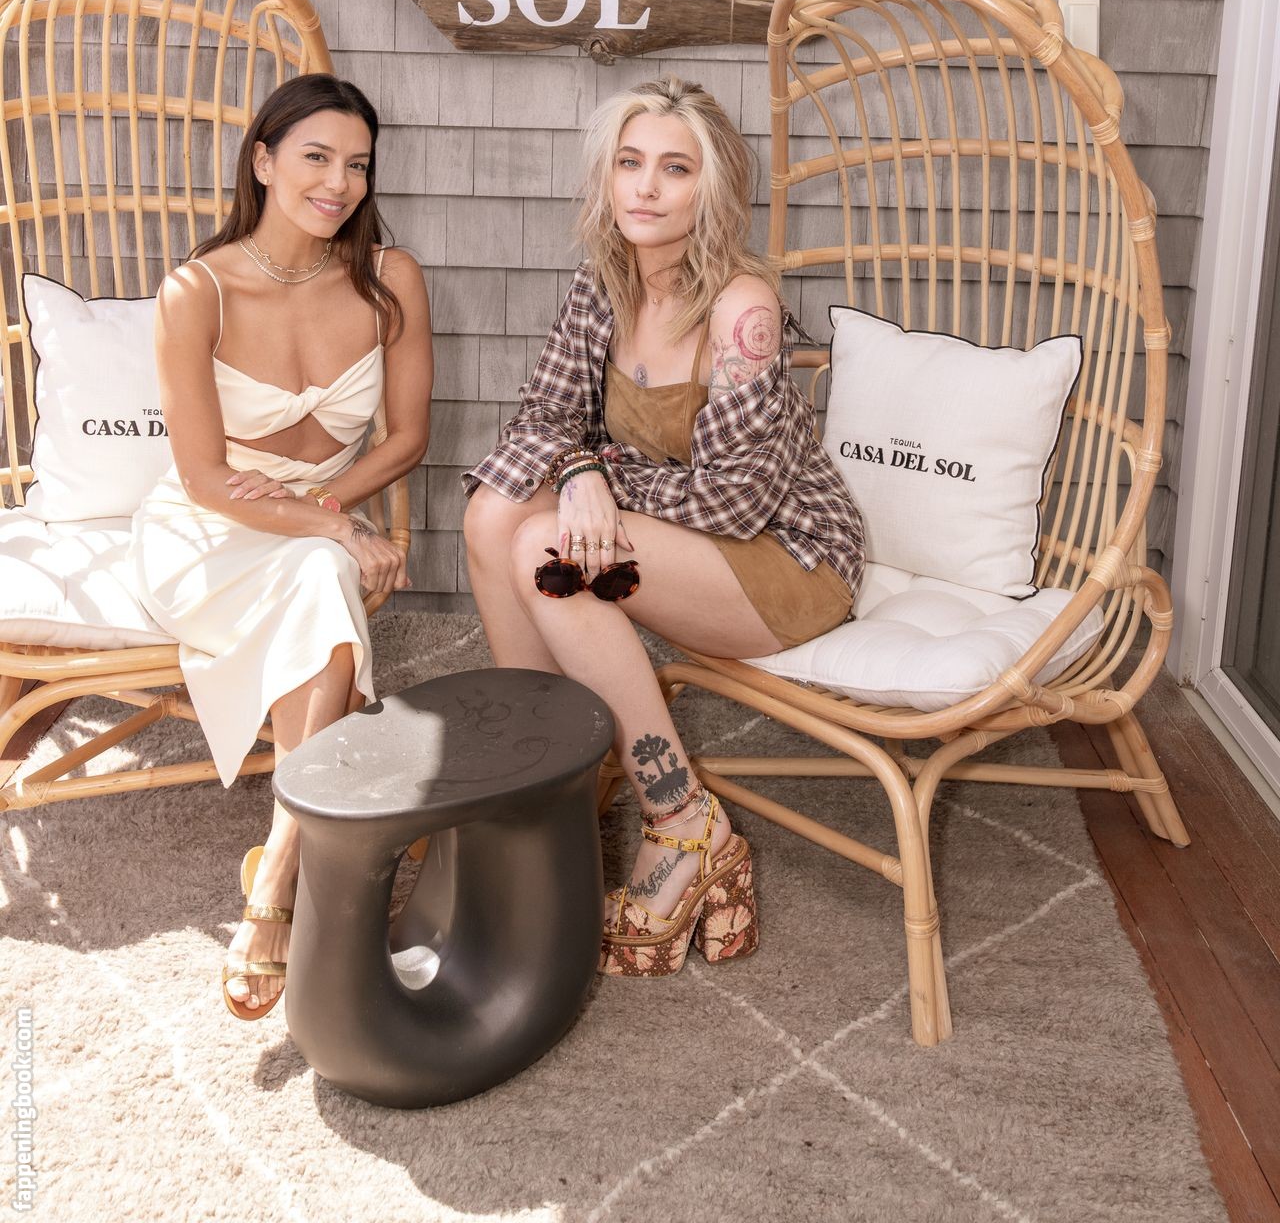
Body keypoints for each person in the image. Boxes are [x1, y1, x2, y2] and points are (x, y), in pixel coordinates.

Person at [463, 75, 864, 977]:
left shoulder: (740, 311)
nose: (645, 187)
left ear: (711, 189)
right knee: (495, 512)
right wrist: (577, 471)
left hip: (788, 560)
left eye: (675, 169)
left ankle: (683, 820)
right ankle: (545, 789)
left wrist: (597, 475)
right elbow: (540, 419)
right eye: (629, 163)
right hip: (683, 544)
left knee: (551, 550)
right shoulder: (602, 285)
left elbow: (735, 503)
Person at [128, 74, 433, 1020]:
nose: (339, 182)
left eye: (357, 165)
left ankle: (277, 876)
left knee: (319, 572)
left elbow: (407, 439)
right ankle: (297, 871)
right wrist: (334, 526)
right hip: (210, 531)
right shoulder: (198, 290)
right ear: (263, 161)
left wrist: (326, 507)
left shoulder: (389, 278)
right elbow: (203, 478)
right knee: (326, 567)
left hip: (311, 526)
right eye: (316, 157)